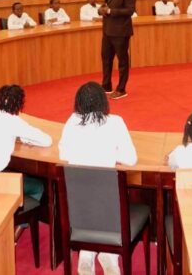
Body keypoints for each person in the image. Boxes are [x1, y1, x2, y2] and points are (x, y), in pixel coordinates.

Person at [59, 82, 137, 275]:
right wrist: (111, 154)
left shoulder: (71, 122)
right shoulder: (115, 122)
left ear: (78, 103)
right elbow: (131, 160)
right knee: (105, 200)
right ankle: (108, 256)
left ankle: (86, 253)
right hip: (108, 210)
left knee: (87, 198)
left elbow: (63, 155)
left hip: (78, 211)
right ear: (104, 102)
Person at [0, 85, 52, 201]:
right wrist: (26, 138)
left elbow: (1, 131)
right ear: (19, 104)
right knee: (38, 186)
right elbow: (47, 140)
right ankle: (23, 217)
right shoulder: (14, 122)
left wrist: (19, 136)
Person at [99, 0, 136, 100]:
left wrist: (110, 11)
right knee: (106, 59)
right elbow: (106, 4)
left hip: (121, 31)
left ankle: (121, 89)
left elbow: (130, 10)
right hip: (107, 30)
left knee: (122, 61)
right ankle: (106, 85)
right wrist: (101, 9)